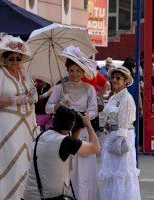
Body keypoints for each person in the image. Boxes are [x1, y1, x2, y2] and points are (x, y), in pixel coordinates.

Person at [45, 45, 100, 200]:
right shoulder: (59, 88)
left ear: (83, 72)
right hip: (62, 132)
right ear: (67, 70)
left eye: (78, 71)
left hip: (81, 130)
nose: (74, 74)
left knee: (82, 169)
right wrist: (60, 105)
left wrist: (83, 116)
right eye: (71, 70)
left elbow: (94, 110)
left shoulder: (89, 89)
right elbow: (48, 108)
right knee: (64, 168)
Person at [0, 34, 38, 199]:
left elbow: (31, 97)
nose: (15, 62)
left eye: (18, 58)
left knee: (25, 161)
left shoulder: (25, 75)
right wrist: (17, 99)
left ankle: (23, 196)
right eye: (11, 58)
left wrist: (32, 95)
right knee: (9, 159)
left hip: (26, 124)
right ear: (4, 59)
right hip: (7, 123)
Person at [23, 106, 100, 199]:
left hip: (29, 195)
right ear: (72, 125)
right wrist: (88, 124)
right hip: (49, 197)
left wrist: (78, 127)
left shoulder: (42, 136)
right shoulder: (66, 142)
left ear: (53, 120)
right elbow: (95, 148)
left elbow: (72, 146)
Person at [99, 66, 141, 200]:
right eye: (113, 78)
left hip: (122, 138)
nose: (115, 80)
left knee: (121, 172)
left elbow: (125, 120)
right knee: (112, 172)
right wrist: (107, 124)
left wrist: (119, 140)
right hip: (112, 135)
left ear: (125, 81)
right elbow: (111, 116)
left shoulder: (126, 98)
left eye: (119, 78)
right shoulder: (114, 97)